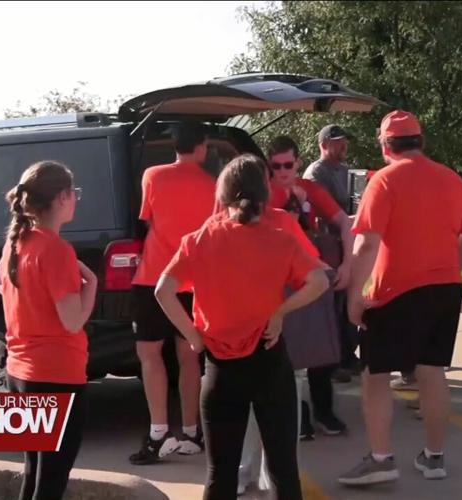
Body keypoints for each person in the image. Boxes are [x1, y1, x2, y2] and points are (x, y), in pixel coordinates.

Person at [155, 154, 330, 500]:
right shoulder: (280, 239)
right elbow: (320, 281)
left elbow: (163, 291)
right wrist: (280, 311)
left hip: (219, 366)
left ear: (222, 194)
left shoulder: (199, 240)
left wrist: (193, 336)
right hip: (269, 357)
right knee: (283, 469)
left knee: (220, 473)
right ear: (264, 193)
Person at [339, 110, 462, 485]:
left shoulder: (384, 180)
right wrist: (452, 265)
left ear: (385, 145)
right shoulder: (450, 178)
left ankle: (381, 458)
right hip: (446, 288)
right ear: (420, 141)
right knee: (432, 371)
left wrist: (354, 296)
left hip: (395, 292)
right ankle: (434, 457)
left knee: (376, 374)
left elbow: (366, 244)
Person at [0, 161, 95, 500]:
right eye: (74, 192)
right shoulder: (56, 248)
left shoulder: (16, 241)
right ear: (62, 197)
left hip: (18, 371)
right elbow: (73, 321)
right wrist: (92, 284)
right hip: (57, 373)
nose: (76, 198)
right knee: (51, 481)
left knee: (33, 471)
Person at [129, 122, 216, 465]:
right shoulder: (213, 185)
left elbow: (147, 220)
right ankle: (192, 431)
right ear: (201, 146)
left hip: (153, 277)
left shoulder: (152, 175)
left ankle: (158, 432)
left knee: (149, 354)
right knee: (190, 354)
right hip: (193, 282)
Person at [267, 135, 351, 438]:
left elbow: (344, 222)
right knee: (287, 353)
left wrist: (347, 265)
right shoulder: (264, 194)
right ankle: (297, 414)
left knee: (321, 349)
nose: (282, 171)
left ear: (298, 162)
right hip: (280, 282)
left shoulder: (311, 189)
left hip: (313, 278)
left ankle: (323, 411)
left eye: (288, 165)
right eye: (276, 166)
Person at [303, 125, 361, 378]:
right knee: (333, 305)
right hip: (327, 246)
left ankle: (348, 355)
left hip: (346, 243)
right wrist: (350, 219)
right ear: (324, 144)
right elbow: (326, 212)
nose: (343, 146)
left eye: (345, 141)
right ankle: (332, 360)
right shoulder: (316, 173)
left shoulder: (345, 171)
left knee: (346, 302)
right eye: (338, 142)